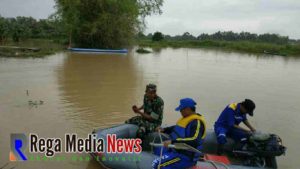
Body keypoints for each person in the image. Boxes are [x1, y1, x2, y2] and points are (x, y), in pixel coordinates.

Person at [152, 98, 206, 169]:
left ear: (187, 109)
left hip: (185, 156)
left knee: (157, 165)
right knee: (156, 149)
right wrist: (164, 129)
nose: (180, 111)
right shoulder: (186, 118)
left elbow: (194, 140)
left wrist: (172, 141)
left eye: (181, 109)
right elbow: (176, 128)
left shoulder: (196, 123)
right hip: (175, 149)